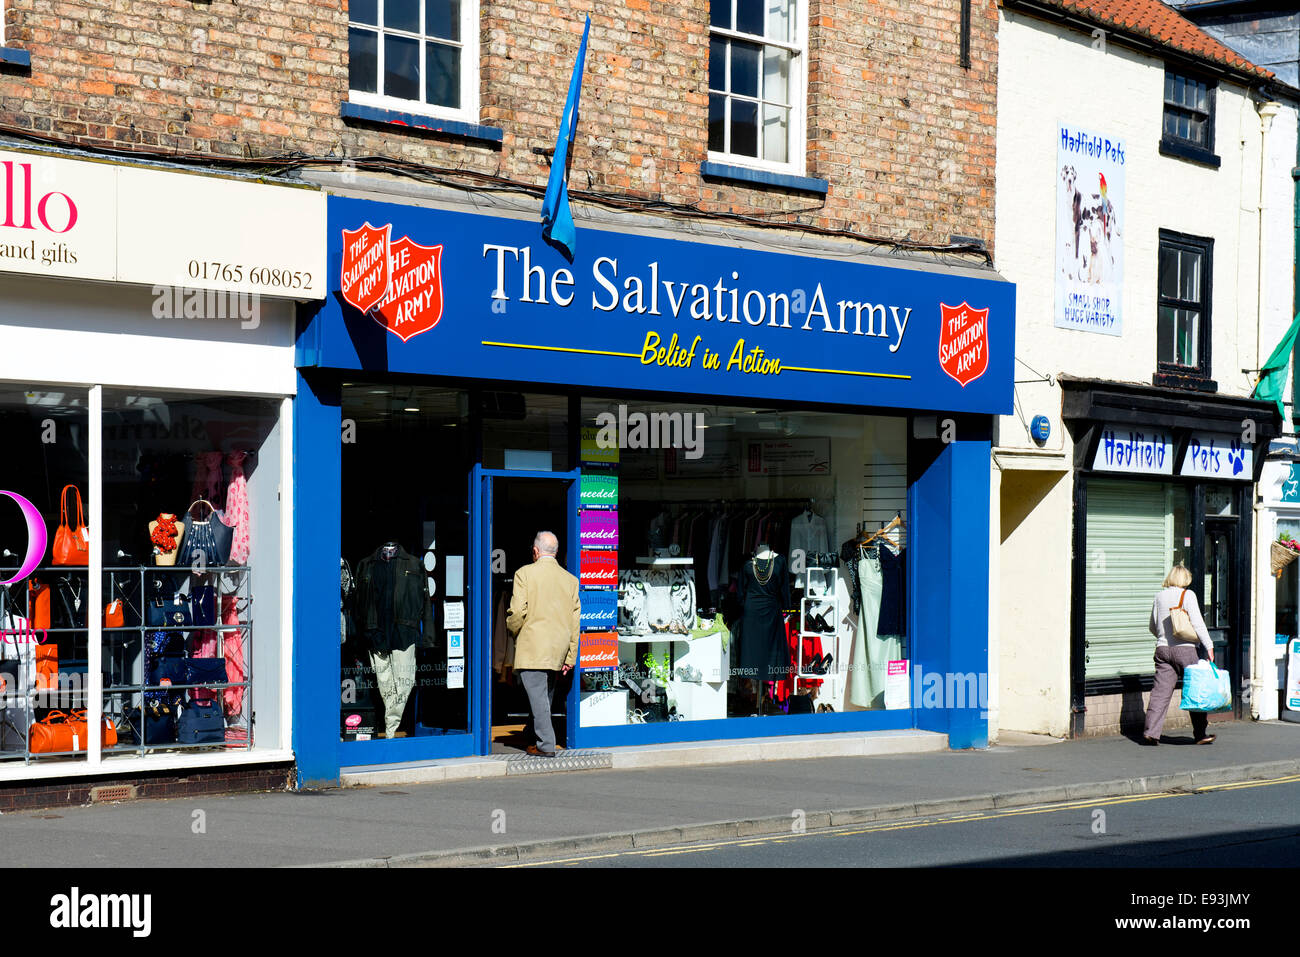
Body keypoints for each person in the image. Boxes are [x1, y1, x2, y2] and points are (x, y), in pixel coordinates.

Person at [505, 531, 580, 757]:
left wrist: (512, 628)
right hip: (558, 649)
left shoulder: (524, 574)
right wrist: (570, 656)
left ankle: (546, 745)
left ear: (536, 551)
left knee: (538, 699)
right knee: (542, 698)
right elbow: (574, 622)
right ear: (555, 552)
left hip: (533, 646)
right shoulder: (570, 580)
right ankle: (533, 736)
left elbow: (517, 611)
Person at [1143, 564, 1216, 746]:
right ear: (1185, 579)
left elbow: (1152, 625)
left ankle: (1151, 732)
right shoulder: (1188, 595)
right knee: (1195, 690)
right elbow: (1198, 623)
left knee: (1160, 693)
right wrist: (1209, 646)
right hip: (1185, 649)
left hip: (1162, 649)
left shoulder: (1159, 596)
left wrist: (1163, 637)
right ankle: (1200, 734)